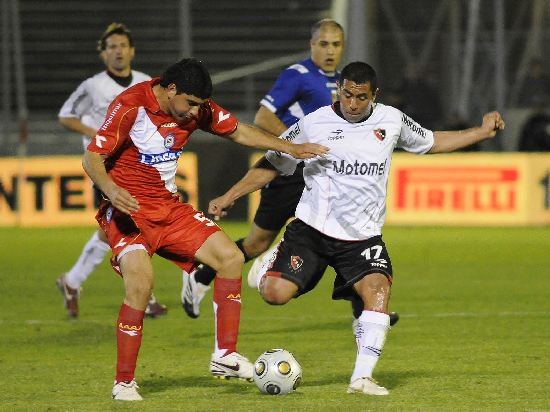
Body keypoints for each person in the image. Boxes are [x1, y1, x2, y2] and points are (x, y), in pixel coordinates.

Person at [207, 62, 505, 396]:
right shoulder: (314, 123)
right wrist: (230, 195)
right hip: (312, 232)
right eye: (346, 94)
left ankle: (361, 378)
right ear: (339, 90)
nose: (352, 103)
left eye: (360, 97)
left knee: (378, 290)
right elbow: (273, 163)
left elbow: (431, 141)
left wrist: (480, 132)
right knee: (275, 295)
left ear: (373, 95)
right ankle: (268, 264)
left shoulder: (391, 120)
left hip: (362, 238)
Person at [82, 57, 328, 401]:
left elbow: (240, 130)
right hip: (130, 214)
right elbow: (92, 157)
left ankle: (224, 355)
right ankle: (124, 382)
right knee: (140, 283)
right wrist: (111, 189)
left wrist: (290, 148)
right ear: (170, 90)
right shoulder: (130, 105)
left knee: (228, 257)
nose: (195, 111)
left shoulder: (194, 108)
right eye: (190, 103)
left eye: (199, 105)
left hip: (169, 210)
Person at [180, 18, 398, 326]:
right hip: (289, 173)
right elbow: (264, 116)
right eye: (323, 44)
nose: (330, 50)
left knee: (346, 234)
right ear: (312, 45)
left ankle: (368, 310)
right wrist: (296, 148)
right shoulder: (298, 75)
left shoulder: (344, 83)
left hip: (322, 176)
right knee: (257, 243)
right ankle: (201, 274)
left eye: (336, 44)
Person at [56, 22, 167, 318]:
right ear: (103, 54)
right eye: (112, 47)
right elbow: (66, 115)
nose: (118, 51)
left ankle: (72, 281)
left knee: (115, 232)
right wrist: (97, 132)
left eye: (122, 46)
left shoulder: (145, 82)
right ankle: (145, 295)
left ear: (132, 51)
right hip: (106, 167)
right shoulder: (93, 85)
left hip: (139, 166)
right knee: (129, 226)